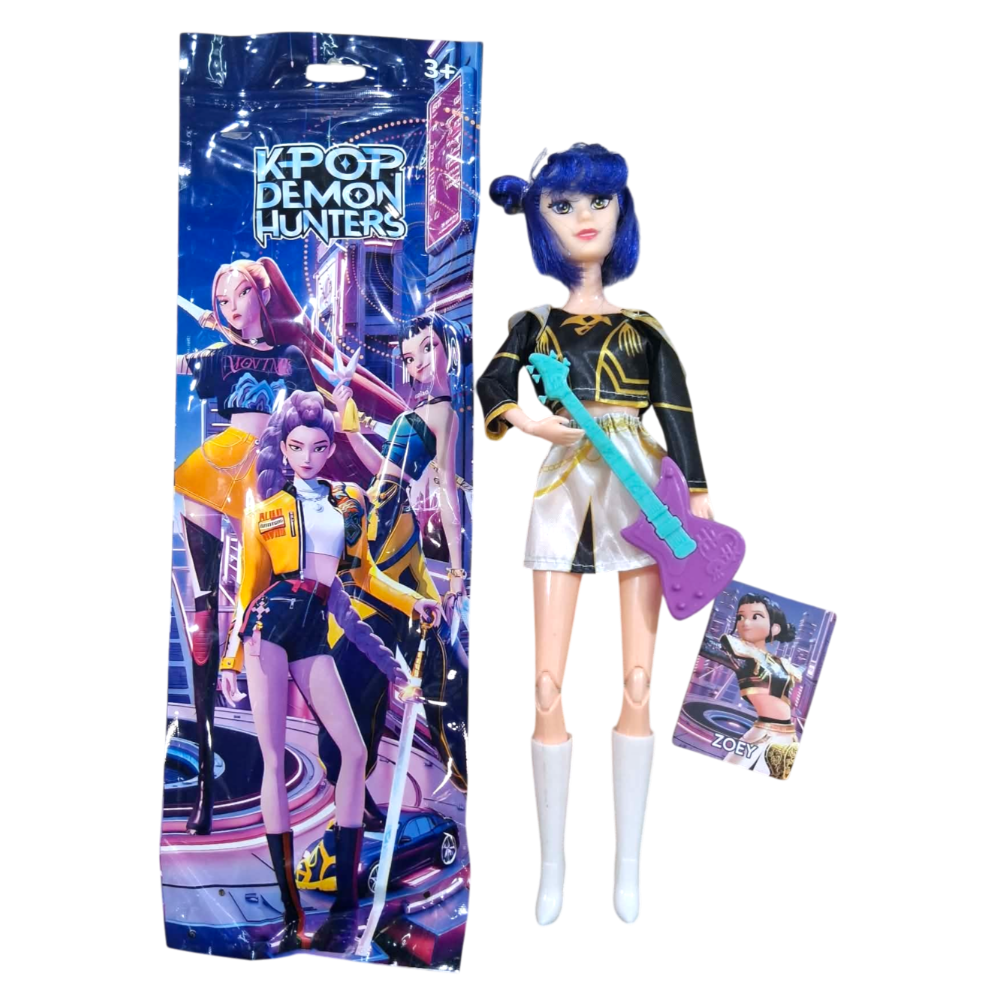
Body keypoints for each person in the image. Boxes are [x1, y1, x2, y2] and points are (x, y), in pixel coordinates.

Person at [476, 143, 712, 924]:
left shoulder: (645, 330)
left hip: (639, 481)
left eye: (599, 203)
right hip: (563, 482)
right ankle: (552, 867)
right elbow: (492, 382)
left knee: (640, 682)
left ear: (621, 213)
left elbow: (675, 414)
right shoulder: (536, 326)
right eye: (563, 205)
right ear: (540, 220)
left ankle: (629, 866)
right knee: (545, 685)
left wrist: (700, 502)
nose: (584, 218)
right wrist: (529, 419)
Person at [174, 257, 404, 834]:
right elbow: (179, 365)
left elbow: (318, 415)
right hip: (215, 470)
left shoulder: (291, 358)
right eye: (223, 301)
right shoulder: (216, 356)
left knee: (278, 597)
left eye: (240, 295)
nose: (232, 308)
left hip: (267, 480)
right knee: (203, 617)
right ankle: (205, 781)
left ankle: (330, 766)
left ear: (261, 293)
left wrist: (345, 394)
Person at [221, 390, 440, 953]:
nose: (308, 457)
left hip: (316, 625)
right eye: (297, 447)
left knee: (356, 752)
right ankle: (292, 909)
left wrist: (413, 599)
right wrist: (229, 660)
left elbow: (362, 580)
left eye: (318, 447)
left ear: (329, 447)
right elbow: (250, 588)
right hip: (267, 627)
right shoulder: (265, 507)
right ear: (284, 448)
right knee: (274, 761)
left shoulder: (348, 501)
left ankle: (344, 903)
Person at [718, 593, 801, 779]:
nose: (745, 622)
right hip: (761, 733)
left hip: (788, 736)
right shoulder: (740, 653)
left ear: (774, 628)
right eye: (740, 617)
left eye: (756, 616)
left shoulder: (783, 664)